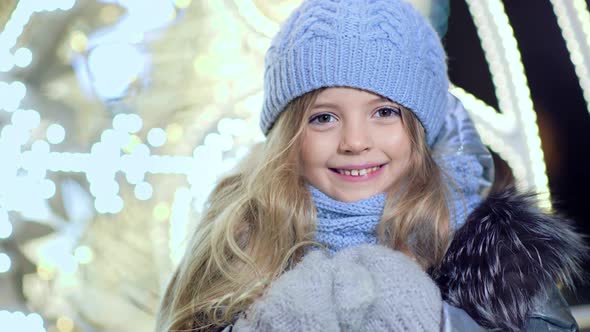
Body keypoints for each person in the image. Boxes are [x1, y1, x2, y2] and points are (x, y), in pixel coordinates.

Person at [156, 0, 586, 331]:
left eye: (385, 113)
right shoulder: (238, 242)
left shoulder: (495, 252)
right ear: (288, 135)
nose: (356, 142)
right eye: (323, 117)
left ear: (421, 127)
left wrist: (434, 321)